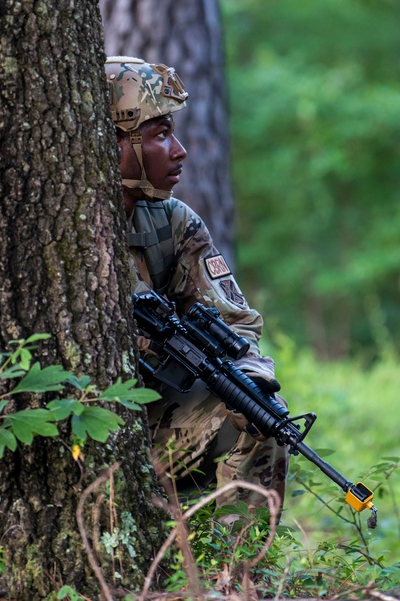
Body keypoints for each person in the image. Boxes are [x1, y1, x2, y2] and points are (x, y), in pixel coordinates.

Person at [104, 55, 289, 515]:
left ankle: (236, 570)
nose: (179, 150)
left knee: (261, 415)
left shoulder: (173, 223)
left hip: (154, 423)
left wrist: (251, 380)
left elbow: (235, 324)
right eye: (160, 135)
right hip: (82, 428)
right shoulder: (61, 235)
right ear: (114, 143)